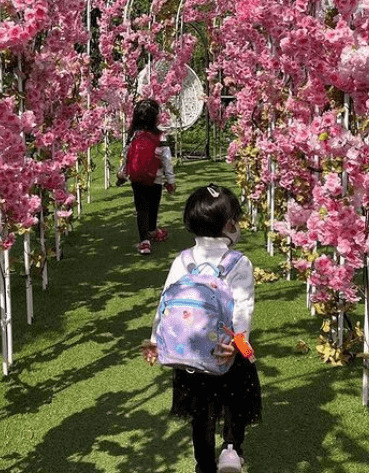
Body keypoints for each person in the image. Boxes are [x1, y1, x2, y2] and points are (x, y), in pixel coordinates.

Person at [141, 184, 261, 473]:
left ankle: (203, 463)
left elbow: (165, 302)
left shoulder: (183, 260)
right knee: (235, 401)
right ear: (230, 224)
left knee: (201, 412)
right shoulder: (238, 262)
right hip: (225, 350)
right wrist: (239, 342)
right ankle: (232, 449)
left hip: (189, 352)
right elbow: (243, 306)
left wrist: (155, 339)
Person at [117, 98, 176, 256]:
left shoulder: (134, 135)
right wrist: (170, 181)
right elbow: (167, 160)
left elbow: (126, 155)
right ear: (156, 118)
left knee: (141, 208)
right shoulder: (160, 137)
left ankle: (144, 241)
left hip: (137, 178)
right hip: (155, 178)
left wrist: (122, 172)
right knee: (153, 206)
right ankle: (152, 230)